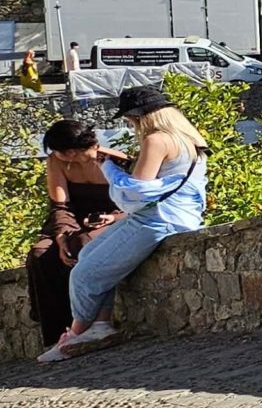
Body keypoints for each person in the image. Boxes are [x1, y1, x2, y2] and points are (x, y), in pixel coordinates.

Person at [41, 86, 211, 362]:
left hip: (158, 219)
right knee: (87, 254)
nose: (129, 125)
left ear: (140, 117)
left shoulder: (157, 139)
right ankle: (100, 325)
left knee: (83, 274)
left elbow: (135, 192)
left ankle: (75, 334)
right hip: (174, 215)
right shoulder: (187, 138)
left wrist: (107, 167)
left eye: (130, 120)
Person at [26, 121, 124, 351]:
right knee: (40, 253)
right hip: (71, 221)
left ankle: (84, 324)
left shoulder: (115, 161)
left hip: (112, 218)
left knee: (81, 246)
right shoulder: (56, 162)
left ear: (70, 152)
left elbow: (133, 199)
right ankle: (55, 332)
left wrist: (113, 218)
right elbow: (60, 205)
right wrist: (61, 234)